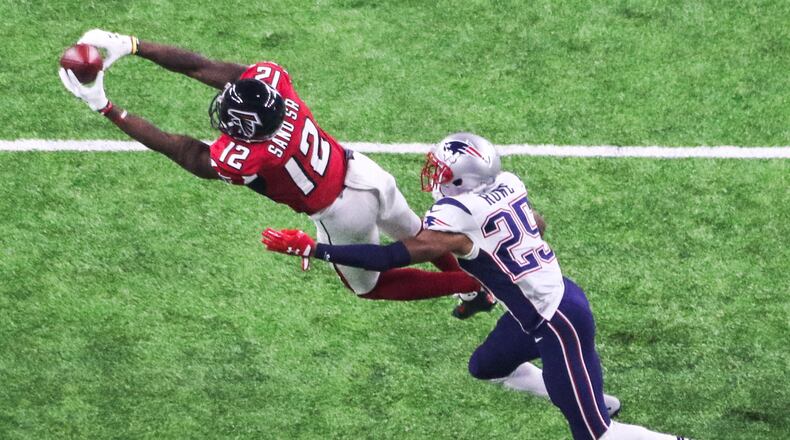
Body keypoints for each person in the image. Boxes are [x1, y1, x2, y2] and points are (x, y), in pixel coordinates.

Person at [262, 133, 691, 439]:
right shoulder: (508, 184)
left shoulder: (457, 218)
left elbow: (391, 257)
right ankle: (587, 394)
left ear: (464, 180)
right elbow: (535, 223)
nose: (434, 176)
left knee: (595, 435)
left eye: (443, 172)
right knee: (487, 368)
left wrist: (317, 249)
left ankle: (620, 418)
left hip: (555, 320)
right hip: (540, 307)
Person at [58, 28, 496, 312]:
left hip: (342, 212)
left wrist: (105, 107)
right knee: (417, 236)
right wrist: (135, 45)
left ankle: (473, 289)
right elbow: (204, 67)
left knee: (370, 286)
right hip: (365, 172)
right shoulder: (275, 86)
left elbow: (188, 153)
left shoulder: (251, 156)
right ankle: (470, 284)